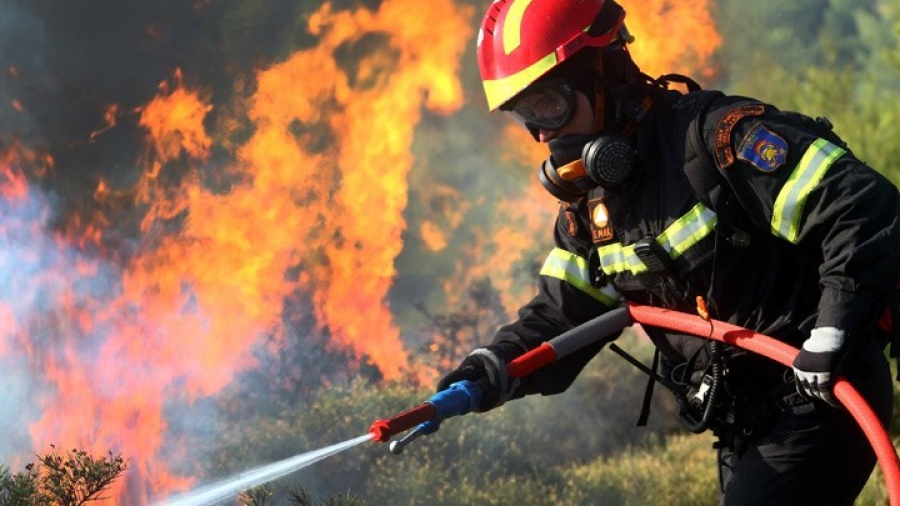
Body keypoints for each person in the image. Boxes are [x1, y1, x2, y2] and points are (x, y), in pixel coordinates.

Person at [436, 0, 900, 504]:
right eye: (527, 115)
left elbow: (859, 205)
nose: (543, 134)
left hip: (820, 396)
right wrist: (489, 368)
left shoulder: (718, 139)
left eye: (548, 105)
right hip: (744, 420)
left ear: (606, 73)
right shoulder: (590, 211)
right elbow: (559, 315)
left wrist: (831, 332)